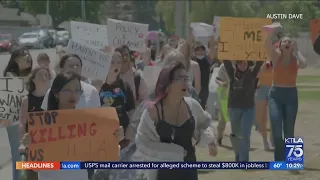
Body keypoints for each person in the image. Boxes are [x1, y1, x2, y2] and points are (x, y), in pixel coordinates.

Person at [20, 72, 122, 180]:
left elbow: (105, 160)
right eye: (67, 90)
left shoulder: (87, 123)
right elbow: (36, 168)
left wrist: (114, 140)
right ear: (56, 93)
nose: (73, 94)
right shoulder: (42, 125)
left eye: (77, 90)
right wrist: (30, 146)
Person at [135, 61, 217, 180]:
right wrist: (174, 152)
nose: (186, 82)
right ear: (167, 84)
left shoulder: (192, 105)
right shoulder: (152, 111)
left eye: (186, 78)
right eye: (180, 78)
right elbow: (142, 141)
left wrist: (209, 139)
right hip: (163, 173)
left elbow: (205, 122)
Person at [265, 31, 307, 162]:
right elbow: (267, 45)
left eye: (289, 41)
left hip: (291, 95)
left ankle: (292, 160)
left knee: (289, 130)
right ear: (280, 45)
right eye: (285, 41)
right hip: (275, 95)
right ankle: (279, 158)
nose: (287, 43)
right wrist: (270, 33)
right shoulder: (276, 57)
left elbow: (304, 64)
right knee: (276, 129)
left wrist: (297, 50)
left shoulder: (295, 59)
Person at [223, 60, 263, 162]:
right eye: (240, 63)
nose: (243, 65)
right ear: (236, 64)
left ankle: (244, 160)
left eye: (245, 63)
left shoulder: (252, 73)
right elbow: (226, 60)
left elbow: (259, 61)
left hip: (248, 108)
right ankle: (238, 154)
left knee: (245, 134)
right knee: (236, 134)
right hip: (234, 107)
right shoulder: (232, 73)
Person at [2, 47, 32, 180]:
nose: (27, 57)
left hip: (32, 120)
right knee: (19, 157)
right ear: (15, 59)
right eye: (23, 54)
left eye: (28, 54)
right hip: (14, 123)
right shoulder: (9, 77)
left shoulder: (33, 76)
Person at [18, 67, 51, 180]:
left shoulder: (53, 99)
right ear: (33, 79)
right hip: (32, 146)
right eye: (40, 75)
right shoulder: (26, 100)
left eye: (46, 75)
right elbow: (22, 122)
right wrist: (23, 142)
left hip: (50, 145)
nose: (44, 77)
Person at [255, 60, 273, 150]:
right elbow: (256, 76)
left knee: (274, 116)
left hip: (273, 89)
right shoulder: (259, 62)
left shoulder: (277, 59)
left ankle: (272, 138)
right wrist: (263, 66)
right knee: (262, 118)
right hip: (261, 89)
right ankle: (265, 141)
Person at [215, 63, 230, 145]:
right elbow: (217, 79)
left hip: (239, 93)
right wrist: (221, 83)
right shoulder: (223, 66)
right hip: (225, 93)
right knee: (223, 117)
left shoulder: (243, 63)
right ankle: (219, 137)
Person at [193, 43, 211, 109]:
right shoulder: (193, 61)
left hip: (204, 87)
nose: (200, 52)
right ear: (194, 52)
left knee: (202, 105)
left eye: (202, 50)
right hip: (193, 87)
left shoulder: (207, 61)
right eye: (198, 50)